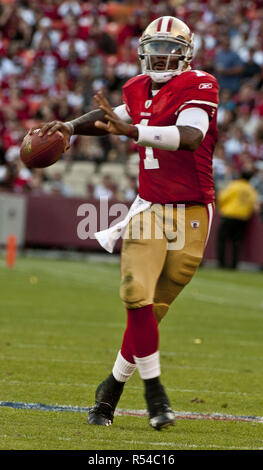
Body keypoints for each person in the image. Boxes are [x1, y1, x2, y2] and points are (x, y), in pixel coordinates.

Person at [29, 16, 219, 430]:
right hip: (149, 208)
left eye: (171, 48)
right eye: (157, 46)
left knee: (155, 312)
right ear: (142, 50)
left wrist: (133, 131)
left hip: (191, 212)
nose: (162, 55)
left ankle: (109, 392)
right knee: (136, 295)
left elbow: (191, 136)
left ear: (186, 54)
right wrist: (69, 127)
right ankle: (155, 395)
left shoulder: (200, 85)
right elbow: (110, 117)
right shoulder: (135, 89)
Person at [217, 166, 259, 269]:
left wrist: (222, 208)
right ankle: (234, 264)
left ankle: (222, 263)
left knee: (222, 239)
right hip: (243, 218)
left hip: (229, 215)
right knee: (236, 241)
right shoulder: (251, 189)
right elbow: (253, 204)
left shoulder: (234, 185)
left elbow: (222, 197)